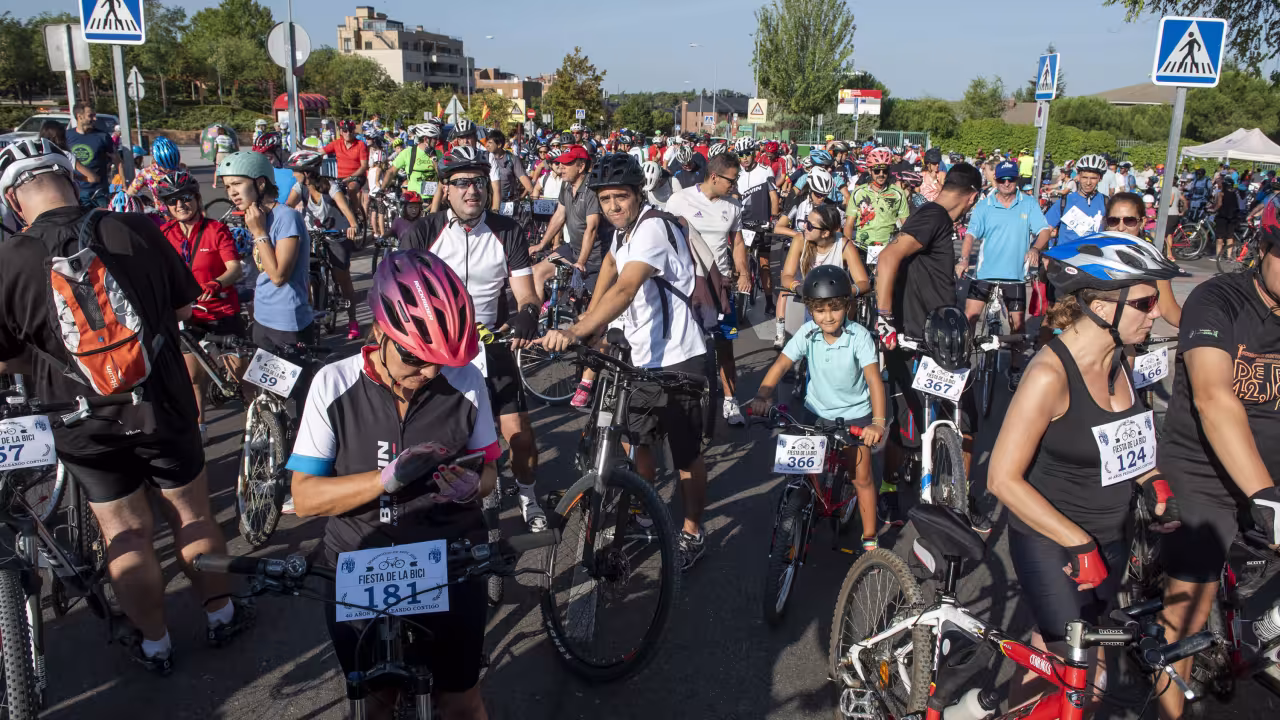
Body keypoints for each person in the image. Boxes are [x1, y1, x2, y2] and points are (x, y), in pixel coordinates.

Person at [0, 139, 252, 674]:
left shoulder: (9, 261)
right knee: (191, 514)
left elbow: (6, 360)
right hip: (159, 401)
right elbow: (184, 306)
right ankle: (221, 613)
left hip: (78, 419)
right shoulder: (133, 230)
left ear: (13, 200)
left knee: (126, 533)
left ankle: (156, 643)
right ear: (71, 179)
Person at [288, 249, 498, 720]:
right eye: (414, 357)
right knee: (374, 703)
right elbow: (304, 497)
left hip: (447, 554)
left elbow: (489, 475)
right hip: (361, 558)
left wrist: (473, 486)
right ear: (380, 330)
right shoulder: (333, 382)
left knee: (462, 701)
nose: (427, 373)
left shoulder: (467, 382)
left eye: (437, 363)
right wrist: (386, 479)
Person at [987, 232, 1182, 709]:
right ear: (1099, 304)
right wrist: (1076, 541)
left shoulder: (1122, 358)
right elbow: (1001, 478)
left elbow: (1125, 444)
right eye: (1144, 301)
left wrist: (1150, 480)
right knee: (1082, 682)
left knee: (1052, 648)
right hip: (1053, 542)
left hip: (1110, 536)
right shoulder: (1049, 376)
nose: (1155, 311)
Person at [537, 153, 713, 571]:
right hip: (640, 355)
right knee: (639, 440)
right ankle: (644, 509)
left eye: (621, 197)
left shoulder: (652, 227)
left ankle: (692, 530)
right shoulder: (624, 232)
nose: (613, 206)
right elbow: (610, 271)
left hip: (678, 357)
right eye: (606, 199)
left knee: (686, 454)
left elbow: (627, 287)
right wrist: (590, 324)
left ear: (638, 194)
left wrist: (577, 331)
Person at [1155, 194, 1280, 720]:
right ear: (1264, 248)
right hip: (1205, 470)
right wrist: (1267, 499)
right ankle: (1166, 708)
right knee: (1191, 606)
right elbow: (1212, 396)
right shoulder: (1217, 299)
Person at [398, 146, 546, 532]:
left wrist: (528, 312)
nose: (471, 191)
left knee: (521, 437)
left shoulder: (507, 231)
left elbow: (526, 291)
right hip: (435, 351)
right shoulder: (424, 232)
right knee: (429, 442)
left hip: (490, 345)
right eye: (461, 182)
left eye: (478, 182)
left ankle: (529, 494)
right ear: (445, 189)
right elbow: (400, 292)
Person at [749, 265, 887, 550]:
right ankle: (802, 506)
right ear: (811, 310)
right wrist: (763, 395)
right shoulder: (808, 333)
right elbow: (782, 364)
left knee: (860, 477)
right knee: (801, 473)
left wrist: (878, 421)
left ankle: (871, 538)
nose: (827, 317)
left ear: (846, 307)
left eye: (835, 309)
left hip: (855, 414)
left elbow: (874, 380)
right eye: (820, 310)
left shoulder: (858, 336)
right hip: (816, 410)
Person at [874, 164, 983, 507]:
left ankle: (959, 498)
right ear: (973, 197)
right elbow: (889, 256)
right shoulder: (933, 215)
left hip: (943, 341)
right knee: (908, 425)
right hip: (914, 340)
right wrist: (884, 318)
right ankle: (889, 489)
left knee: (963, 422)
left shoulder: (935, 219)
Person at [156, 170, 245, 441]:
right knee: (193, 378)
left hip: (222, 311)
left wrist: (217, 284)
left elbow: (235, 269)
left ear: (196, 199)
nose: (180, 205)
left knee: (240, 374)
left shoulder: (216, 230)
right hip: (187, 315)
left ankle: (256, 419)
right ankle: (200, 426)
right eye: (173, 201)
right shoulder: (165, 234)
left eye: (185, 198)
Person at [666, 151, 752, 426]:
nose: (734, 185)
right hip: (688, 285)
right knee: (682, 344)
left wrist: (744, 272)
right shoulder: (680, 200)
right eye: (731, 180)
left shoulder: (733, 206)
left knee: (727, 344)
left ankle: (730, 400)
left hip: (722, 285)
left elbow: (737, 243)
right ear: (714, 176)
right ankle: (678, 396)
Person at [957, 159, 1050, 385]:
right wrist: (963, 259)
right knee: (970, 317)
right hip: (984, 274)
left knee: (1017, 326)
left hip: (1015, 276)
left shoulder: (1028, 204)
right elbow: (970, 235)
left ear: (1017, 180)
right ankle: (963, 363)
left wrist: (1036, 248)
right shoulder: (985, 205)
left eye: (1011, 179)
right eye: (1002, 179)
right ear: (996, 181)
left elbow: (1044, 230)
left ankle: (1015, 369)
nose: (1007, 183)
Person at [216, 150, 314, 354]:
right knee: (264, 386)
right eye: (227, 187)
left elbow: (278, 276)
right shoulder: (258, 216)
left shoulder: (286, 217)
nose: (231, 192)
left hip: (287, 323)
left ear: (260, 183)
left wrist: (259, 233)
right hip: (262, 317)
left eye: (237, 184)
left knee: (292, 387)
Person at [284, 150, 362, 339]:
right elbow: (287, 207)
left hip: (336, 234)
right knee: (305, 272)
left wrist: (353, 224)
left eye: (296, 171)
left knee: (342, 278)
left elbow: (344, 207)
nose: (293, 174)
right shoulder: (299, 187)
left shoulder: (330, 187)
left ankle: (352, 320)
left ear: (307, 173)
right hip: (312, 234)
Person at [1104, 193, 1184, 328]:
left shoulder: (1153, 260)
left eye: (1129, 221)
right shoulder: (1091, 253)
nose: (1121, 228)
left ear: (1142, 222)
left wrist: (1199, 328)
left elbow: (1168, 309)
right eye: (1114, 221)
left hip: (1131, 342)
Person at [844, 147, 908, 252]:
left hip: (888, 248)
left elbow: (906, 225)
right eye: (877, 171)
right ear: (869, 170)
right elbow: (849, 224)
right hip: (862, 246)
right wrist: (848, 249)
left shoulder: (898, 193)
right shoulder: (858, 192)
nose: (881, 174)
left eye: (885, 171)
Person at [1044, 153, 1108, 247]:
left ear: (1100, 178)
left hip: (1094, 258)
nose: (1088, 182)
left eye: (1093, 178)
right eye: (1084, 177)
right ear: (1078, 176)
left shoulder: (1106, 202)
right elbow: (1045, 230)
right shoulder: (1065, 201)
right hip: (1065, 259)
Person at [64, 102, 118, 207]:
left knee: (104, 221)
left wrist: (124, 185)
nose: (95, 119)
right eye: (91, 116)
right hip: (77, 191)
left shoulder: (103, 136)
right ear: (79, 116)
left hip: (100, 192)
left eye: (95, 115)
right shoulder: (67, 136)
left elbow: (117, 161)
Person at [322, 120, 370, 216]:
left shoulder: (360, 145)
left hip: (357, 176)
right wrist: (304, 149)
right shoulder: (336, 143)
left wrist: (350, 177)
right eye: (345, 130)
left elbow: (364, 166)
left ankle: (356, 214)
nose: (348, 133)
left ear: (354, 131)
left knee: (351, 188)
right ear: (341, 132)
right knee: (327, 191)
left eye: (350, 130)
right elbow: (320, 151)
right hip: (341, 178)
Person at [485, 129, 535, 209]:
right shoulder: (484, 158)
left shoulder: (512, 159)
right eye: (487, 142)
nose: (487, 145)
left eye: (490, 143)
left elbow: (527, 184)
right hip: (488, 204)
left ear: (499, 145)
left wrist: (525, 198)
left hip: (507, 205)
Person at [1210, 176, 1243, 258]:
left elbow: (1219, 204)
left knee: (1220, 237)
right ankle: (1229, 256)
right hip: (1232, 218)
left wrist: (1213, 210)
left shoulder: (1221, 193)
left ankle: (1218, 256)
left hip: (1222, 217)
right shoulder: (1235, 193)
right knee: (1230, 237)